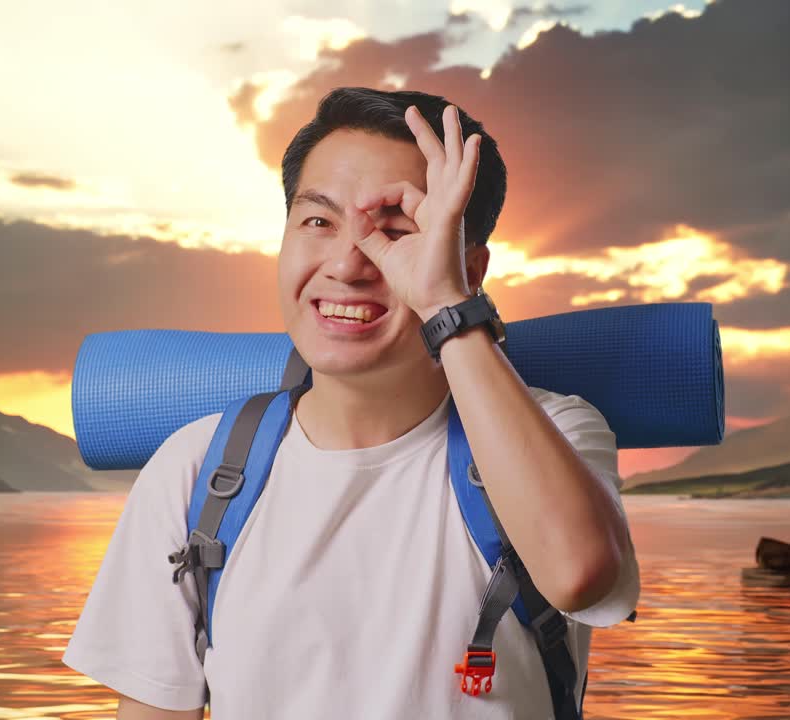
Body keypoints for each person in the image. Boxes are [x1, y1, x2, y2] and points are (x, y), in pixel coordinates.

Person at [62, 85, 641, 719]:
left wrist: (447, 304)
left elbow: (582, 576)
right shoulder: (199, 470)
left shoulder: (558, 430)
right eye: (318, 221)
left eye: (398, 230)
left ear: (470, 268)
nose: (347, 263)